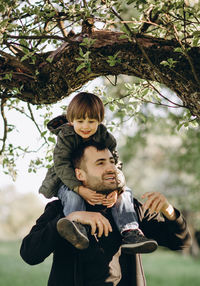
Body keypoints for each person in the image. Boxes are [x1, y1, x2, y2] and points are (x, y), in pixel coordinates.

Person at [20, 141, 192, 286]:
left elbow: (181, 242)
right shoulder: (60, 209)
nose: (111, 168)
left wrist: (169, 211)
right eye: (100, 163)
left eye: (111, 162)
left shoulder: (130, 209)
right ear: (79, 174)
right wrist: (71, 218)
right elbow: (30, 254)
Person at [39, 92, 157, 254]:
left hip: (95, 179)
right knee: (73, 197)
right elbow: (61, 165)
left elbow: (115, 163)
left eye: (91, 121)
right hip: (67, 181)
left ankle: (130, 232)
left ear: (99, 121)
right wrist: (79, 189)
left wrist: (117, 188)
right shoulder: (66, 136)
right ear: (71, 121)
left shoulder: (104, 137)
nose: (86, 126)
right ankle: (77, 227)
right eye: (80, 121)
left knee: (125, 193)